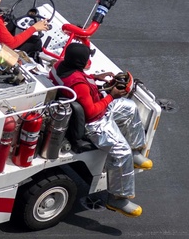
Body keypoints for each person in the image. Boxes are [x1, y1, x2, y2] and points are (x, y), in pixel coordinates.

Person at [51, 43, 152, 217]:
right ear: (80, 61)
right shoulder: (79, 85)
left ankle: (135, 151)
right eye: (86, 58)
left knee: (129, 108)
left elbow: (79, 80)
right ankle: (117, 199)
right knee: (121, 152)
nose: (89, 59)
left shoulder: (59, 66)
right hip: (94, 124)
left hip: (95, 110)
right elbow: (91, 113)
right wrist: (112, 95)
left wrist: (96, 78)